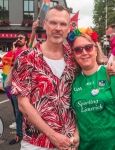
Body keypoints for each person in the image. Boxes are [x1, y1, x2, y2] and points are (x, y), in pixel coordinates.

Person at [11, 5, 79, 150]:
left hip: (70, 142)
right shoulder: (26, 58)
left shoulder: (75, 58)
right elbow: (23, 104)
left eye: (63, 24)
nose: (58, 28)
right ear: (45, 24)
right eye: (53, 22)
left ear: (68, 28)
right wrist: (52, 135)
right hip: (36, 143)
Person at [69, 27, 115, 150]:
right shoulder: (74, 81)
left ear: (96, 49)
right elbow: (80, 117)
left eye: (88, 47)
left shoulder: (112, 74)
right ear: (73, 55)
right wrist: (76, 136)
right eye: (78, 50)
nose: (84, 52)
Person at [3, 31, 29, 144]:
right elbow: (5, 62)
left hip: (26, 87)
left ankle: (29, 132)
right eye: (17, 37)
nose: (18, 39)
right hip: (14, 86)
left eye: (21, 38)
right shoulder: (14, 52)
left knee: (28, 111)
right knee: (18, 112)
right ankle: (19, 135)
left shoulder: (29, 51)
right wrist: (13, 52)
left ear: (26, 41)